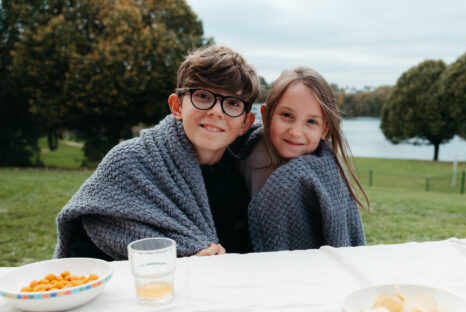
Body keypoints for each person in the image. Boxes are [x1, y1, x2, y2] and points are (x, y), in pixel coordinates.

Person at [55, 44, 260, 260]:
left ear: (246, 123)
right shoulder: (128, 162)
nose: (216, 111)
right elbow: (87, 239)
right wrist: (175, 261)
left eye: (233, 103)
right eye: (202, 96)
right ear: (177, 107)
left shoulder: (243, 172)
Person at [231, 66, 369, 251]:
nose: (296, 132)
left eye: (311, 122)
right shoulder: (241, 149)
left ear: (325, 129)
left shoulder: (327, 176)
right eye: (287, 115)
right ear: (266, 116)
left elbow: (342, 238)